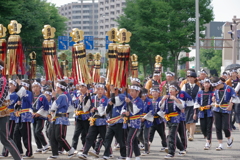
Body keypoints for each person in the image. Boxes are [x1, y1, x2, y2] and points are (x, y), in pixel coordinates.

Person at [78, 83, 108, 160]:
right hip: (93, 120)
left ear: (104, 90)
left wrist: (96, 109)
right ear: (95, 90)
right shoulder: (92, 98)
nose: (100, 91)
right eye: (98, 89)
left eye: (101, 89)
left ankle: (109, 153)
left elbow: (105, 109)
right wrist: (86, 97)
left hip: (102, 120)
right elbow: (86, 107)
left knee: (104, 138)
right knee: (89, 137)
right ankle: (84, 153)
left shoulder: (106, 99)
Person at [0, 60, 23, 160]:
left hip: (2, 113)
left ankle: (19, 158)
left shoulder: (3, 80)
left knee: (5, 139)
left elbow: (1, 96)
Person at [47, 81, 75, 160]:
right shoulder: (60, 96)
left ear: (59, 88)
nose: (55, 89)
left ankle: (70, 149)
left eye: (56, 87)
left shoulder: (62, 96)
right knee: (52, 136)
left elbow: (54, 106)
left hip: (61, 119)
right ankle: (55, 154)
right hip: (56, 118)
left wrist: (53, 96)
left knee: (59, 136)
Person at [99, 86, 126, 160]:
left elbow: (116, 102)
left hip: (118, 121)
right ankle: (106, 154)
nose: (111, 90)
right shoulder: (111, 98)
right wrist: (109, 104)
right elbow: (107, 110)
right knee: (107, 139)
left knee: (120, 139)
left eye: (114, 89)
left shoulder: (122, 96)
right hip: (111, 122)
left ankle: (123, 155)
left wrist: (113, 94)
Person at [159, 84, 185, 159]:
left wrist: (176, 99)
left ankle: (171, 152)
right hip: (168, 118)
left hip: (175, 118)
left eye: (173, 89)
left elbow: (181, 107)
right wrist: (162, 100)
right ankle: (182, 148)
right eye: (170, 89)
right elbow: (161, 107)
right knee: (173, 135)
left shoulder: (179, 99)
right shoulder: (166, 99)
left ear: (177, 91)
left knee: (171, 135)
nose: (170, 91)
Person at [211, 77, 235, 151]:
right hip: (217, 109)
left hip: (226, 109)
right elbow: (214, 96)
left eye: (216, 86)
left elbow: (234, 97)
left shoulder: (229, 88)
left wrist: (231, 105)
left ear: (220, 83)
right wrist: (213, 98)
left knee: (225, 127)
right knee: (217, 127)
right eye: (214, 87)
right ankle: (220, 144)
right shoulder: (216, 90)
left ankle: (229, 138)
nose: (215, 88)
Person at [14, 79, 34, 159]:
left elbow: (27, 98)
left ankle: (29, 153)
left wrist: (20, 85)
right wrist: (17, 103)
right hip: (19, 116)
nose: (21, 86)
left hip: (26, 116)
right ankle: (20, 151)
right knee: (16, 134)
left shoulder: (28, 93)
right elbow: (16, 101)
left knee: (26, 136)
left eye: (22, 85)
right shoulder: (20, 93)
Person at [124, 84, 143, 160]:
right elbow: (124, 108)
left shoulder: (139, 101)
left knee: (130, 140)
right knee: (134, 140)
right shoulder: (131, 100)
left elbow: (135, 111)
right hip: (129, 122)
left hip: (136, 123)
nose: (131, 93)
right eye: (130, 91)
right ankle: (137, 155)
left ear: (138, 92)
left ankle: (129, 156)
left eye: (133, 91)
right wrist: (125, 112)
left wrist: (129, 103)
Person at [194, 79, 214, 150]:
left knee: (209, 127)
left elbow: (215, 101)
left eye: (208, 83)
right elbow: (196, 101)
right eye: (205, 83)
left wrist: (211, 105)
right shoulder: (199, 93)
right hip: (202, 112)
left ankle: (208, 142)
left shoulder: (212, 93)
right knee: (203, 127)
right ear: (203, 84)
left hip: (210, 112)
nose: (207, 85)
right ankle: (206, 136)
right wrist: (196, 110)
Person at [71, 83, 91, 152]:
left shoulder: (89, 95)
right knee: (76, 134)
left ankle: (87, 146)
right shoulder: (76, 95)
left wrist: (82, 100)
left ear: (86, 88)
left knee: (85, 134)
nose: (81, 88)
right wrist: (79, 100)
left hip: (86, 117)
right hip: (78, 117)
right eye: (80, 87)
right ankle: (73, 147)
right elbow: (74, 104)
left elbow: (87, 106)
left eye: (83, 86)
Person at [181, 72, 200, 141]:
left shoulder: (198, 87)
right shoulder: (185, 86)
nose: (190, 79)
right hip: (186, 105)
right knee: (186, 121)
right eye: (188, 77)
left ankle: (191, 135)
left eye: (191, 77)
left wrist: (197, 105)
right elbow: (181, 95)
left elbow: (199, 97)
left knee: (193, 120)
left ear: (195, 78)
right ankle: (189, 131)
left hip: (194, 105)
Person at [32, 81, 50, 154]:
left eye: (36, 87)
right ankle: (39, 147)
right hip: (33, 116)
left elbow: (45, 107)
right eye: (33, 87)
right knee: (34, 132)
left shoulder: (42, 96)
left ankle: (45, 145)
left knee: (38, 131)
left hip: (40, 116)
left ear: (40, 88)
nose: (35, 88)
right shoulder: (31, 96)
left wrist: (38, 113)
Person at [137, 88, 153, 155]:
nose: (142, 97)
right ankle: (146, 145)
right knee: (138, 135)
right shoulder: (139, 101)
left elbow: (151, 111)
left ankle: (146, 150)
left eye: (143, 96)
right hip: (139, 119)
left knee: (145, 136)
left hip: (147, 120)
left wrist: (145, 117)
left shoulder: (149, 101)